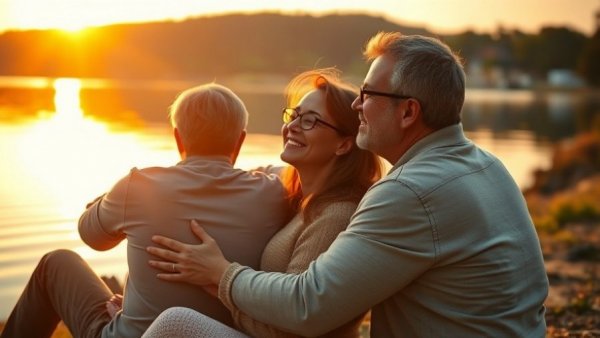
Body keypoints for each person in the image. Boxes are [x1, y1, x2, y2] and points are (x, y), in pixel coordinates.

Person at [143, 32, 550, 338]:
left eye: (368, 94)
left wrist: (221, 273)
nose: (357, 106)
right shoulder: (484, 164)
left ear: (409, 112)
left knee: (174, 326)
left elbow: (309, 305)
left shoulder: (409, 192)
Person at [0, 83, 290, 338]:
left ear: (178, 138)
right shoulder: (273, 192)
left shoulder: (139, 186)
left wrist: (120, 191)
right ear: (240, 140)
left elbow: (91, 236)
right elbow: (280, 172)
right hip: (222, 334)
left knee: (56, 262)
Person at [142, 69, 383, 337]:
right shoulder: (299, 195)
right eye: (294, 115)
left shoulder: (336, 215)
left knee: (174, 323)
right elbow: (235, 175)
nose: (291, 126)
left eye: (310, 121)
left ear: (344, 145)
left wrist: (219, 275)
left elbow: (291, 327)